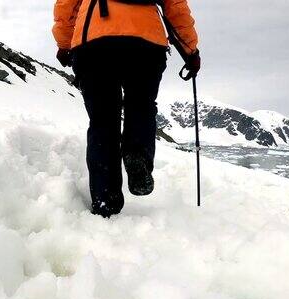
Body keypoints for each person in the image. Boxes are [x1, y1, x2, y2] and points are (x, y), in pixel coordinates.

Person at [52, 0, 200, 217]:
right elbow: (175, 6)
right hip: (146, 43)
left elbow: (65, 5)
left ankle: (105, 201)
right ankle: (137, 153)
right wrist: (190, 51)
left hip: (93, 43)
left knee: (103, 120)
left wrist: (65, 44)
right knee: (141, 105)